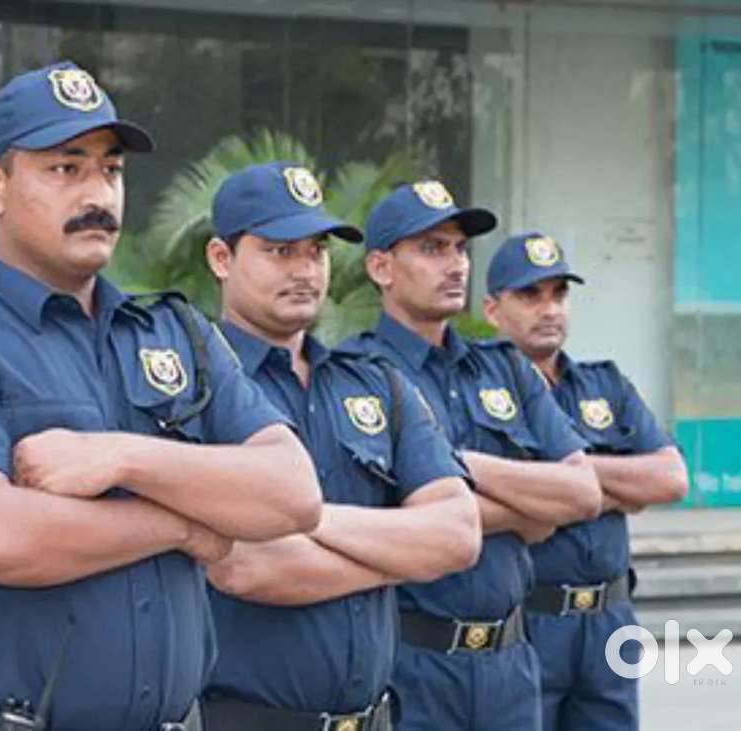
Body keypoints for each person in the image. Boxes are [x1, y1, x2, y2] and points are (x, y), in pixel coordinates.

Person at [0, 61, 322, 731]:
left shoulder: (178, 332)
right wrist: (186, 525)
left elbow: (292, 492)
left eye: (111, 170)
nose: (98, 193)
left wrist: (123, 457)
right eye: (65, 168)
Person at [197, 162, 482, 731]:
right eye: (281, 251)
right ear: (222, 259)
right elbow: (245, 566)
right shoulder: (197, 389)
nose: (305, 270)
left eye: (317, 251)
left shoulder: (374, 383)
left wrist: (305, 520)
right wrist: (399, 554)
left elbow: (457, 535)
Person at [344, 180, 602, 731]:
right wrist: (528, 508)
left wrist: (456, 466)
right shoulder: (355, 377)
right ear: (381, 268)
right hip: (412, 664)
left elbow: (582, 494)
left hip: (511, 665)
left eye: (460, 248)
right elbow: (371, 516)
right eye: (432, 248)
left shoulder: (504, 367)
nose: (456, 264)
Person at [482, 231, 689, 730]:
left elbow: (670, 479)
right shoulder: (477, 392)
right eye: (530, 295)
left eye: (559, 294)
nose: (549, 309)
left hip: (610, 620)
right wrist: (618, 487)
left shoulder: (604, 383)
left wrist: (560, 483)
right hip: (531, 619)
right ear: (492, 309)